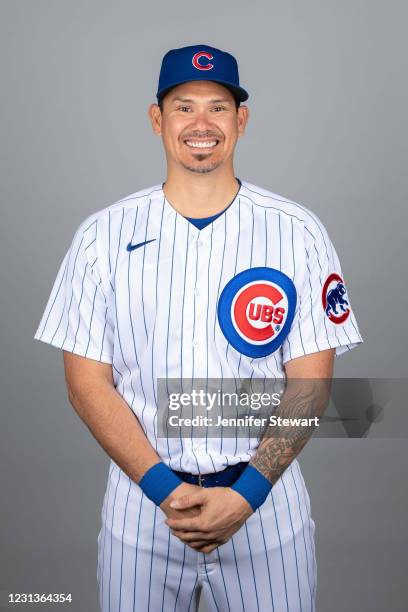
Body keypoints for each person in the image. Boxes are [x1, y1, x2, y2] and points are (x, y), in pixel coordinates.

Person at [34, 44, 363, 612]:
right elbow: (86, 384)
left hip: (264, 504)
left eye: (218, 106)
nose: (201, 124)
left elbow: (310, 385)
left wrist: (247, 495)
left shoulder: (298, 232)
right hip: (143, 502)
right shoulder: (102, 237)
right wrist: (165, 490)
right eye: (183, 107)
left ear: (242, 119)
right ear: (157, 119)